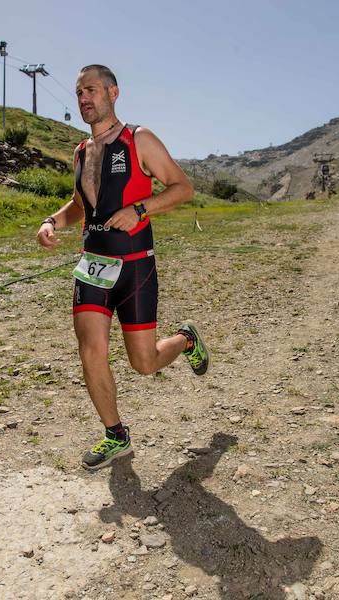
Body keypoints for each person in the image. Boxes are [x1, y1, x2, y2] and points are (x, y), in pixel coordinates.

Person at [36, 64, 209, 470]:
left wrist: (140, 209)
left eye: (92, 90)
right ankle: (116, 434)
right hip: (93, 266)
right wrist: (52, 221)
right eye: (79, 92)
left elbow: (183, 187)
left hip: (134, 267)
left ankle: (185, 339)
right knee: (90, 351)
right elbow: (81, 205)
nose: (84, 98)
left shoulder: (139, 139)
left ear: (113, 92)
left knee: (144, 362)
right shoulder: (81, 151)